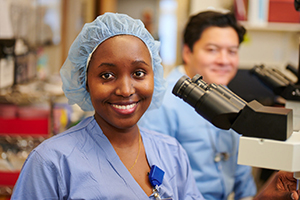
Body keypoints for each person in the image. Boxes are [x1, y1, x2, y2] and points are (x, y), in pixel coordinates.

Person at [10, 12, 204, 200]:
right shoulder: (52, 162)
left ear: (155, 76)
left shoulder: (171, 153)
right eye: (107, 76)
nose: (126, 90)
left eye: (138, 73)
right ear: (85, 81)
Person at [139, 10, 257, 200]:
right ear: (187, 52)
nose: (224, 60)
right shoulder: (162, 102)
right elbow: (153, 182)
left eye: (232, 51)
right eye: (212, 50)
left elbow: (242, 174)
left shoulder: (231, 98)